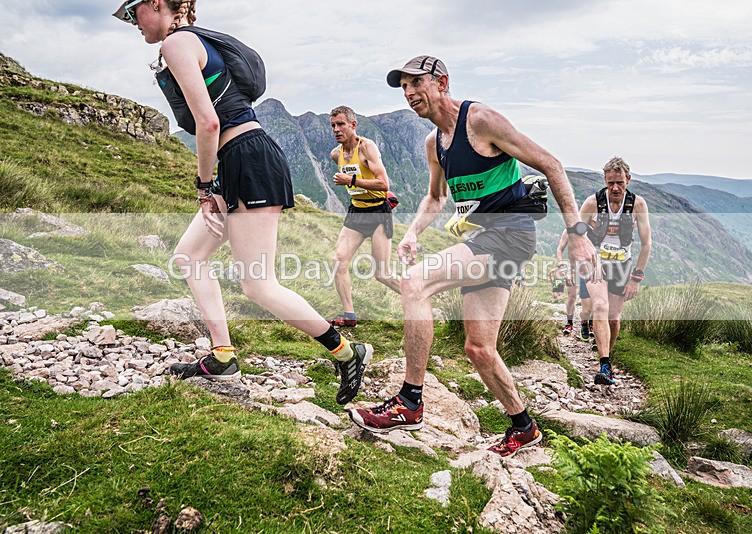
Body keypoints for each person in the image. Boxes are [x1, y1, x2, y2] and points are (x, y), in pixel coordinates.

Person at [112, 0, 371, 405]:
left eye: (132, 12)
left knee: (257, 284)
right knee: (189, 257)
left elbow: (209, 122)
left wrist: (203, 185)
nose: (131, 23)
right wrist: (217, 182)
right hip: (238, 160)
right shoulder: (192, 41)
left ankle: (347, 351)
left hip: (248, 158)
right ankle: (222, 356)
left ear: (157, 3)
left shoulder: (177, 43)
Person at [349, 55, 596, 457]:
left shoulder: (480, 121)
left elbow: (551, 164)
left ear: (441, 82)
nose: (410, 93)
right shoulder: (435, 143)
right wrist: (412, 232)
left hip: (510, 235)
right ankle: (524, 427)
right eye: (404, 87)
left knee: (415, 282)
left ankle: (410, 402)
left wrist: (578, 235)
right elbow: (435, 196)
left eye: (417, 83)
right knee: (479, 349)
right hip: (483, 239)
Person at [578, 157, 651, 385]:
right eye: (610, 183)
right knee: (599, 305)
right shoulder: (592, 203)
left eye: (620, 182)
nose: (615, 188)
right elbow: (576, 232)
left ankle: (605, 349)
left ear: (628, 180)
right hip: (595, 261)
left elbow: (646, 243)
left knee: (614, 319)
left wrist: (636, 278)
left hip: (622, 265)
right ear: (605, 181)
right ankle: (605, 365)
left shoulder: (637, 205)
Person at [328, 106, 401, 327]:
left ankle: (418, 297)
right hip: (357, 211)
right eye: (333, 126)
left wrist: (350, 181)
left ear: (353, 124)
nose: (336, 130)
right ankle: (349, 317)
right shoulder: (335, 154)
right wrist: (352, 184)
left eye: (340, 124)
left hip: (378, 212)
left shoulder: (367, 148)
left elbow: (383, 183)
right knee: (338, 261)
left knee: (382, 274)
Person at [555, 230, 580, 335]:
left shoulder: (593, 227)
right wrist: (562, 267)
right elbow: (560, 249)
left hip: (590, 267)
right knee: (571, 297)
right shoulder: (568, 230)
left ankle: (591, 324)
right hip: (572, 267)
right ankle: (569, 323)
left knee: (592, 298)